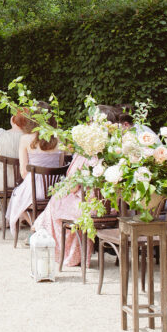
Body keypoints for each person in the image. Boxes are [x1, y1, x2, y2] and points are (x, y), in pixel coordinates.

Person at [33, 106, 122, 267]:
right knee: (59, 200)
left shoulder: (87, 153)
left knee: (56, 203)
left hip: (89, 207)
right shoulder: (117, 151)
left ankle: (67, 254)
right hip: (113, 207)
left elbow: (73, 186)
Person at [5, 102, 64, 239]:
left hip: (35, 187)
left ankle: (36, 226)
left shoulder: (25, 139)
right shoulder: (59, 138)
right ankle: (40, 226)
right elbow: (60, 167)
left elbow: (23, 172)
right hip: (55, 188)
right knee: (20, 196)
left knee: (15, 197)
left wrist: (33, 183)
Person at [0, 108, 33, 231]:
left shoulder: (1, 135)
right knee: (14, 187)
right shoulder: (29, 139)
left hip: (0, 182)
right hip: (21, 183)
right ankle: (11, 219)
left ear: (13, 120)